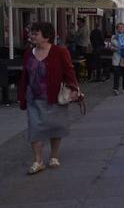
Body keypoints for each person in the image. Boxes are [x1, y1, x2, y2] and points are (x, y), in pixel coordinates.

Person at [19, 22, 79, 174]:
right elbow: (25, 75)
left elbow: (69, 71)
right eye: (31, 33)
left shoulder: (59, 52)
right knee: (34, 128)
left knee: (55, 126)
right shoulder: (28, 53)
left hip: (54, 95)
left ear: (46, 36)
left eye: (35, 34)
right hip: (33, 97)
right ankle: (38, 161)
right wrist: (22, 95)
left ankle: (54, 156)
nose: (31, 36)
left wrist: (73, 88)